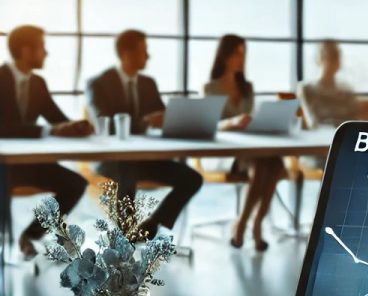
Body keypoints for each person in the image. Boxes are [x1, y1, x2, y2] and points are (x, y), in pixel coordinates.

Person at [86, 29, 203, 239]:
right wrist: (145, 122)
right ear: (126, 54)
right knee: (127, 168)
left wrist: (172, 120)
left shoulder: (148, 83)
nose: (148, 56)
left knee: (192, 178)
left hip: (145, 159)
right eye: (144, 51)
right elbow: (109, 125)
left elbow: (162, 117)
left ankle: (153, 224)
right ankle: (125, 235)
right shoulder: (98, 84)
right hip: (111, 159)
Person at [0, 25, 91, 258]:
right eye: (42, 47)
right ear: (26, 50)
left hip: (29, 165)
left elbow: (57, 119)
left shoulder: (37, 83)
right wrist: (49, 130)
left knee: (75, 184)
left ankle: (30, 234)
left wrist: (76, 127)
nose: (46, 53)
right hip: (3, 166)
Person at [204, 34, 285, 251]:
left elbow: (249, 121)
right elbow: (210, 124)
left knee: (276, 164)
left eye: (243, 54)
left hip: (250, 149)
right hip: (223, 153)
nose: (241, 58)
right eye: (236, 53)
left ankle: (256, 222)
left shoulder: (247, 87)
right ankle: (244, 225)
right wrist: (233, 122)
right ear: (224, 56)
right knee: (261, 165)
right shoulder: (211, 88)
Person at [298, 40, 358, 129]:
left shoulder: (346, 90)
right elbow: (310, 122)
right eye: (330, 57)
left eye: (337, 56)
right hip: (319, 136)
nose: (334, 61)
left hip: (343, 136)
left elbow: (353, 120)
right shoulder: (306, 88)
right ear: (320, 59)